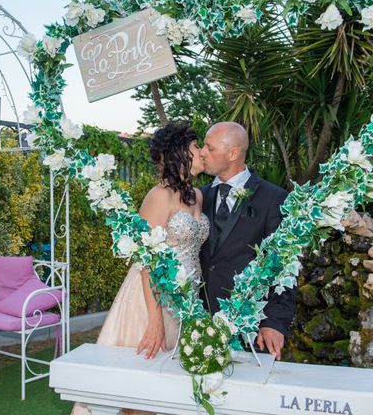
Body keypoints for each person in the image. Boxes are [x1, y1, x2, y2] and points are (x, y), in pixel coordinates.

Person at [72, 123, 209, 415]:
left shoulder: (198, 195)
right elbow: (147, 260)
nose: (203, 152)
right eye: (197, 147)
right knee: (138, 392)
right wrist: (155, 319)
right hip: (152, 299)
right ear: (180, 152)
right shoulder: (159, 195)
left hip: (186, 302)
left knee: (165, 392)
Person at [199, 121, 296, 360]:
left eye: (209, 148)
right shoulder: (199, 196)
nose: (202, 152)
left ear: (233, 154)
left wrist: (274, 321)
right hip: (198, 324)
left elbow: (285, 265)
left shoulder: (274, 198)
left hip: (251, 328)